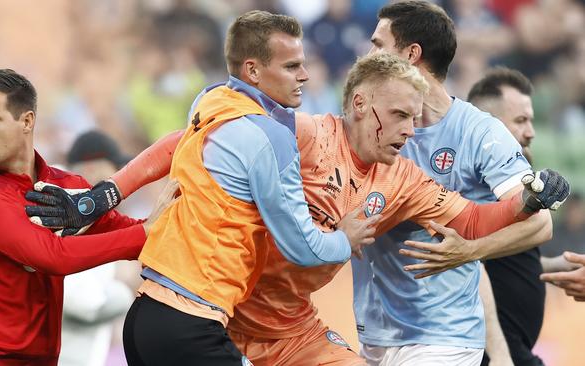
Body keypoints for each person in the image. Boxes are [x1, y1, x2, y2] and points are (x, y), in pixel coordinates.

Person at [29, 52, 568, 366]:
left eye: (416, 118)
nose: (411, 129)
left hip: (293, 329)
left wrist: (527, 199)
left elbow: (472, 220)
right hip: (221, 313)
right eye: (401, 114)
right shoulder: (303, 135)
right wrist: (105, 193)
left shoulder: (403, 179)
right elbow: (188, 140)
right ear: (361, 105)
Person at [26, 11, 377, 365]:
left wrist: (105, 195)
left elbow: (174, 143)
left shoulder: (210, 101)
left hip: (144, 318)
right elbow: (302, 246)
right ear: (253, 71)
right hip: (190, 325)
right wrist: (344, 240)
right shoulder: (269, 138)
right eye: (291, 66)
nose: (304, 75)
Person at [352, 2, 558, 365]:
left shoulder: (480, 132)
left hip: (443, 336)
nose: (369, 55)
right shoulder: (370, 125)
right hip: (375, 332)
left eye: (379, 44)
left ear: (411, 54)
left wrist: (470, 251)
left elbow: (540, 224)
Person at [0, 69, 177, 365]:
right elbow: (53, 256)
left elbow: (131, 233)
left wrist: (166, 224)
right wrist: (145, 234)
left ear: (27, 121)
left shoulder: (64, 187)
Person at [467, 66, 545, 366]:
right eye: (521, 120)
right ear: (489, 126)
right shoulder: (472, 188)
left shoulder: (507, 190)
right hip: (496, 354)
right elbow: (471, 266)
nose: (531, 132)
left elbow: (502, 259)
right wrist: (500, 355)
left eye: (531, 121)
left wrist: (551, 267)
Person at [58, 130, 137, 366]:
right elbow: (83, 305)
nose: (118, 182)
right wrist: (126, 292)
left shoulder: (93, 220)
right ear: (91, 170)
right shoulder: (62, 214)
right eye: (113, 171)